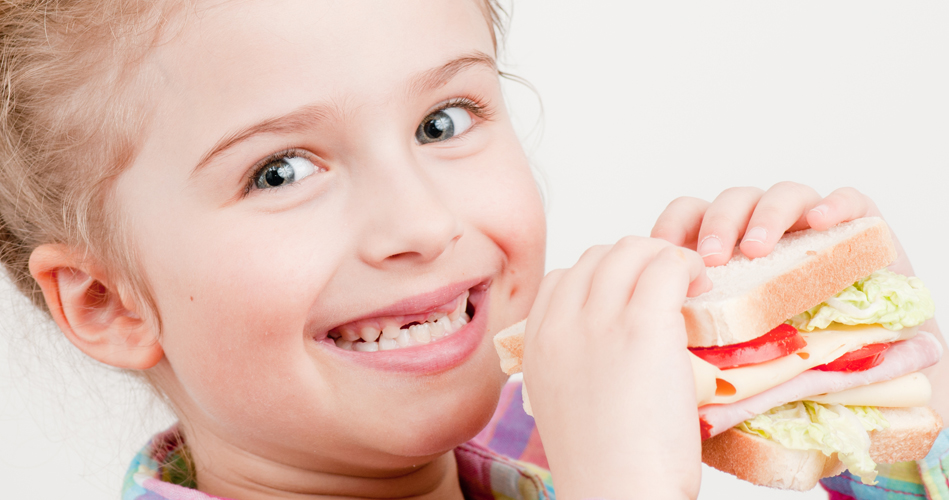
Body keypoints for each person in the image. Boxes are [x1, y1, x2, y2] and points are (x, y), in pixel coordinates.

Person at [0, 1, 943, 499]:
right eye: (281, 171)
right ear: (108, 303)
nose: (419, 224)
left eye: (444, 120)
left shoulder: (531, 434)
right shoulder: (596, 457)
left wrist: (871, 413)